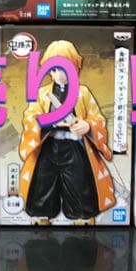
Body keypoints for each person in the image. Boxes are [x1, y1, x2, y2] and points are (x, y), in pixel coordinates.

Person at [19, 40, 115, 221]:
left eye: (65, 68)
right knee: (42, 187)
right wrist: (51, 122)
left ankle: (82, 218)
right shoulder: (42, 94)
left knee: (81, 186)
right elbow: (30, 118)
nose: (59, 74)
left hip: (75, 147)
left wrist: (88, 126)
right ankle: (41, 218)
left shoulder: (83, 92)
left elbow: (97, 118)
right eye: (54, 69)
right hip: (48, 147)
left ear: (75, 67)